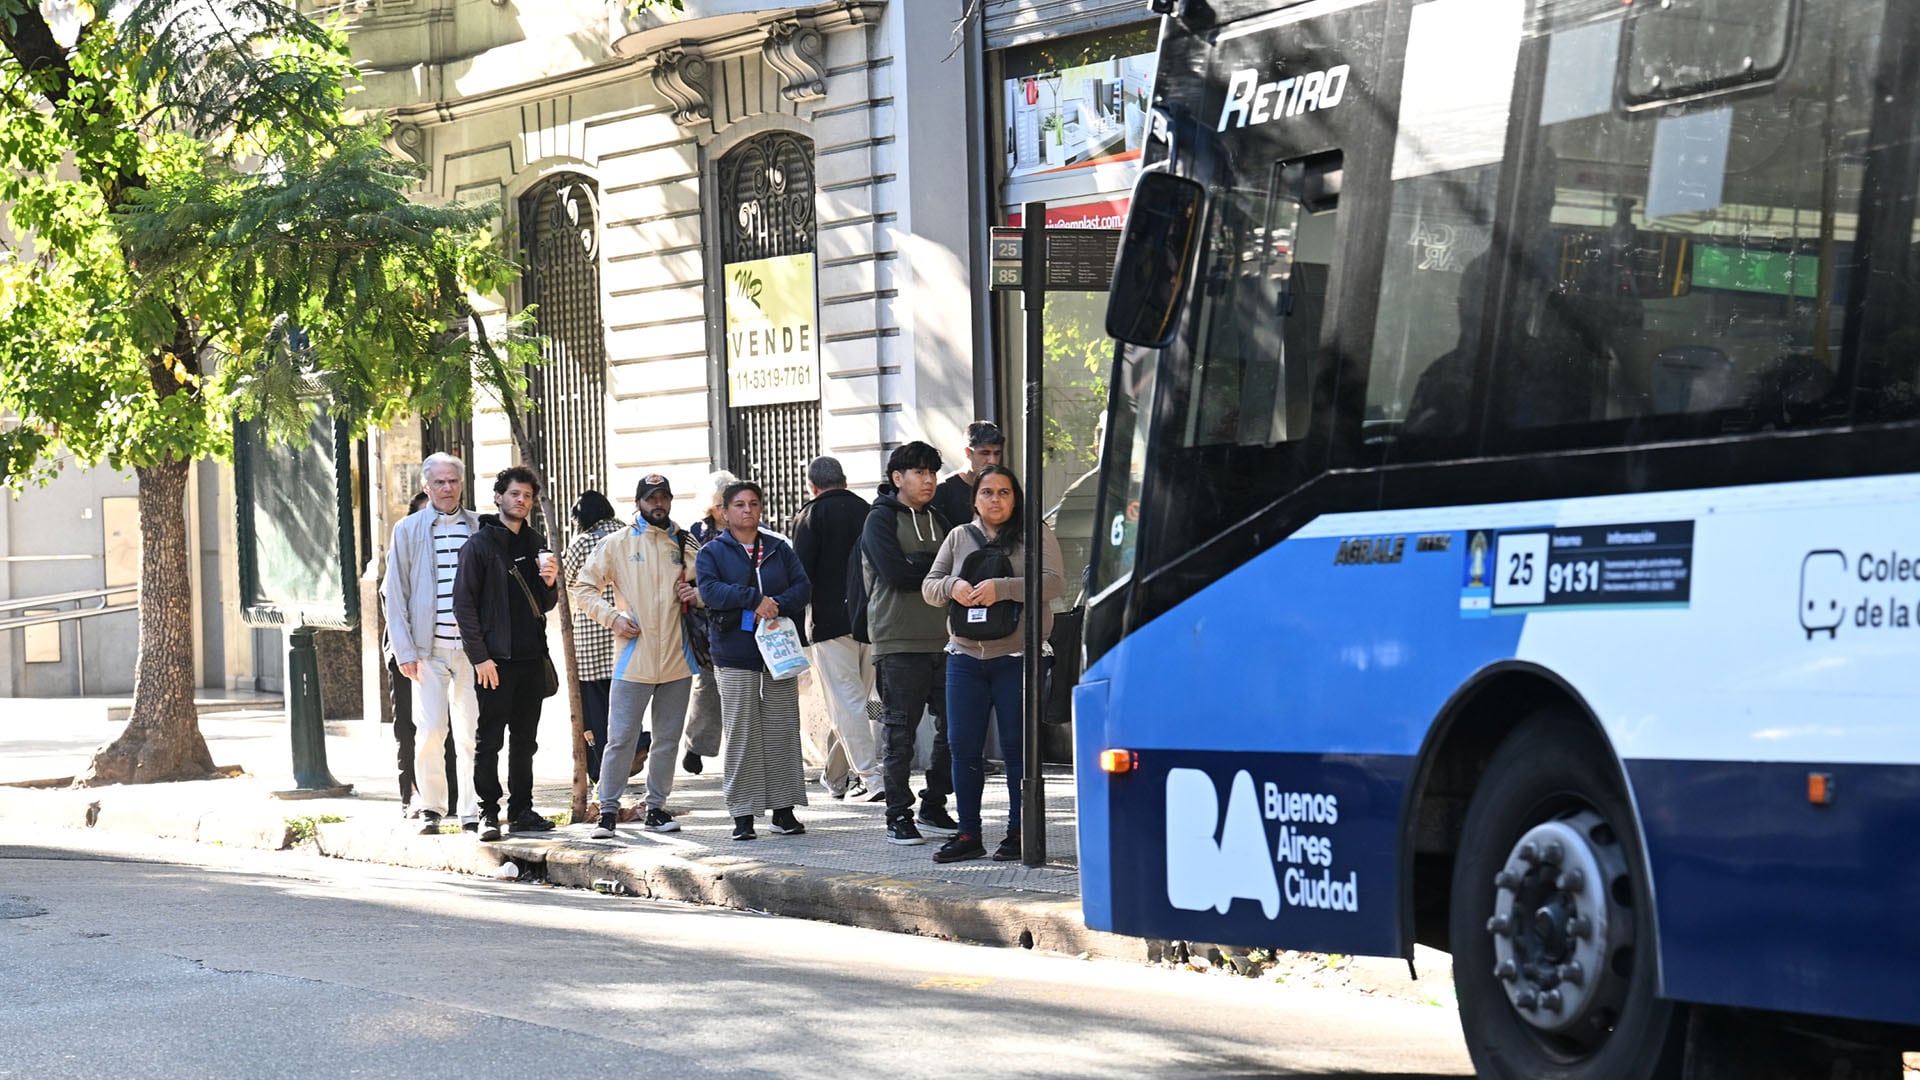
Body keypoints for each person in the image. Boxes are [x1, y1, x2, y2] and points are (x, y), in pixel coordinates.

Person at [920, 465, 1064, 863]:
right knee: (962, 747)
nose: (995, 500)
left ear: (1015, 497)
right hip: (964, 658)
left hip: (1016, 658)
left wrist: (1003, 589)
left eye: (1003, 492)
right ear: (975, 499)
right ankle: (969, 834)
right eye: (987, 492)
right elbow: (930, 586)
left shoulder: (1034, 534)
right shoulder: (958, 537)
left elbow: (1054, 582)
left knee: (1019, 750)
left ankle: (1020, 832)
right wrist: (955, 587)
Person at [570, 473, 701, 838]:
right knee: (621, 738)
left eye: (664, 497)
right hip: (633, 658)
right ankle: (608, 810)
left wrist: (697, 594)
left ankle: (655, 808)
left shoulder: (685, 542)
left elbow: (709, 584)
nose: (658, 504)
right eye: (651, 498)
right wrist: (612, 618)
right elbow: (582, 587)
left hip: (678, 659)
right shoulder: (617, 543)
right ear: (638, 502)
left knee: (667, 739)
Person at [694, 480, 812, 842]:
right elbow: (710, 590)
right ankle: (743, 814)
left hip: (779, 651)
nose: (747, 510)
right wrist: (752, 599)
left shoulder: (778, 548)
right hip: (734, 652)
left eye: (754, 504)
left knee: (782, 728)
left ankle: (784, 810)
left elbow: (803, 587)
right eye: (740, 505)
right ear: (725, 512)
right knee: (742, 732)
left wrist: (773, 604)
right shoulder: (712, 552)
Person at [453, 465, 559, 841]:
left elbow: (544, 603)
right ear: (498, 497)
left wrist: (549, 583)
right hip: (495, 660)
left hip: (531, 657)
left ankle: (522, 809)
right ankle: (487, 813)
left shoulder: (535, 543)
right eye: (515, 494)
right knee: (490, 739)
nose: (522, 501)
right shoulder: (479, 546)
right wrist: (480, 657)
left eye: (528, 496)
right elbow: (463, 606)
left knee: (526, 740)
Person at [860, 440, 958, 846]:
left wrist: (924, 567)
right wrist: (932, 571)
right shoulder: (878, 520)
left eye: (932, 472)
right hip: (897, 641)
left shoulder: (940, 519)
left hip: (947, 640)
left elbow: (958, 566)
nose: (929, 480)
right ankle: (897, 814)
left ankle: (934, 802)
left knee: (955, 727)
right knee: (899, 733)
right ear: (897, 478)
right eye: (919, 472)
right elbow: (896, 574)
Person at [383, 453, 483, 836]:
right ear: (426, 487)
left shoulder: (479, 526)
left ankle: (472, 809)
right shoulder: (407, 529)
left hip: (473, 652)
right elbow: (395, 593)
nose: (446, 488)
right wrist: (405, 650)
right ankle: (432, 808)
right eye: (439, 482)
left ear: (461, 484)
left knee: (471, 733)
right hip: (428, 651)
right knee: (430, 731)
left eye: (452, 481)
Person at [788, 455, 882, 802]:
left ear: (812, 486)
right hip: (871, 622)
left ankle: (871, 777)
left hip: (828, 625)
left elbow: (801, 578)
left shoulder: (809, 517)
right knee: (864, 702)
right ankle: (837, 776)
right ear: (844, 479)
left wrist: (798, 634)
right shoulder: (870, 511)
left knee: (849, 704)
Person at [383, 489, 459, 819]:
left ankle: (452, 798)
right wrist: (405, 651)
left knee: (451, 728)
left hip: (446, 649)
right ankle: (411, 795)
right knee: (409, 728)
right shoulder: (405, 547)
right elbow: (393, 599)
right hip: (407, 653)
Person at [562, 491, 626, 792]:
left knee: (595, 706)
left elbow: (563, 578)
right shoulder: (627, 532)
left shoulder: (584, 541)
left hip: (591, 633)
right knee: (624, 701)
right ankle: (634, 746)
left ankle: (601, 769)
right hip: (626, 629)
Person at [681, 468, 736, 776]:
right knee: (708, 684)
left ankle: (742, 756)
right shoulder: (694, 533)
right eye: (723, 502)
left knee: (741, 686)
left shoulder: (749, 528)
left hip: (739, 614)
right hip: (704, 622)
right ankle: (697, 746)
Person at [929, 420, 1004, 535]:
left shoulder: (1005, 488)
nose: (992, 460)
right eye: (985, 453)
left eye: (997, 453)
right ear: (968, 452)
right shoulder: (943, 491)